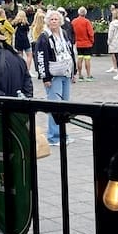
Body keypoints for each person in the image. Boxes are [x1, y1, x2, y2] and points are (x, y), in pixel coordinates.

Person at [33, 10, 76, 144]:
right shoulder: (44, 37)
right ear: (47, 21)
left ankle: (62, 133)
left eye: (56, 19)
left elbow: (70, 51)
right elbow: (40, 57)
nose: (54, 21)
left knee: (64, 105)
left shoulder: (64, 33)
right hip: (54, 74)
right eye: (51, 19)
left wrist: (73, 72)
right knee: (54, 105)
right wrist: (45, 77)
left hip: (66, 72)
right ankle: (54, 135)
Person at [70, 7, 95, 80]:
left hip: (78, 43)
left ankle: (80, 75)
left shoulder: (74, 21)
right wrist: (92, 41)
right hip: (87, 43)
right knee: (87, 59)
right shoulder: (87, 21)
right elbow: (91, 33)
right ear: (85, 13)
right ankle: (88, 75)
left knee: (79, 58)